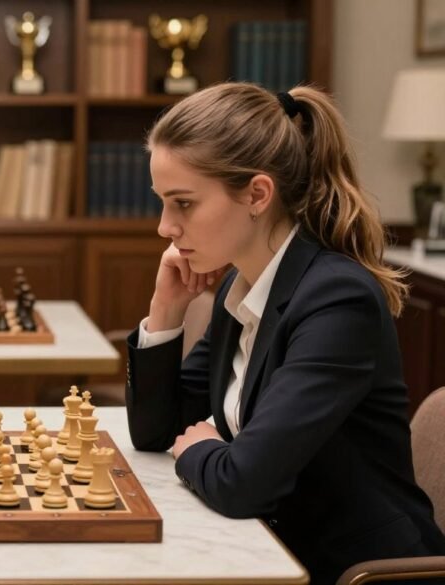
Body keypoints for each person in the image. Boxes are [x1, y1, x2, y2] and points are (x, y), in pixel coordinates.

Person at [126, 82, 445, 584]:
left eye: (183, 203)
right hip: (268, 549)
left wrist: (198, 449)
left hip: (355, 571)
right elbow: (155, 432)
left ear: (257, 194)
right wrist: (165, 311)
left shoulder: (337, 300)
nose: (165, 227)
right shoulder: (241, 286)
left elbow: (243, 482)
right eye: (163, 202)